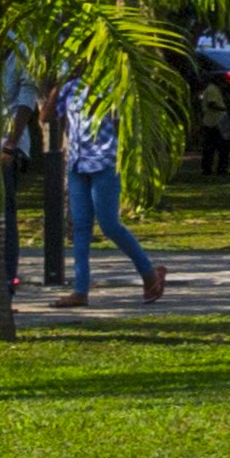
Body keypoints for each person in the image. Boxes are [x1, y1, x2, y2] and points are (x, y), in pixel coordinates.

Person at [54, 84, 166, 307]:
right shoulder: (70, 86)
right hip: (77, 164)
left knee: (109, 225)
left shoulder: (110, 82)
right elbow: (49, 115)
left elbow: (121, 121)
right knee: (81, 228)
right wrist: (56, 89)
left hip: (104, 163)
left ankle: (149, 274)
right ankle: (80, 290)